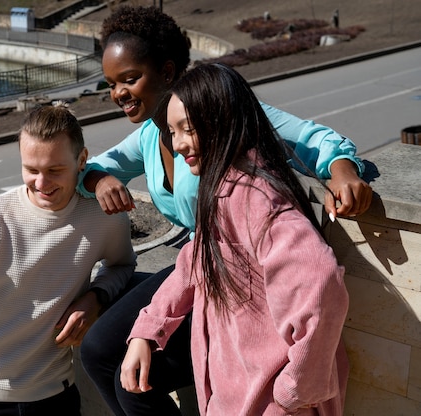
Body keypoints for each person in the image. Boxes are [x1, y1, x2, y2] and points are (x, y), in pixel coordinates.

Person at [78, 5, 369, 415]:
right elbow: (89, 170)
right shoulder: (149, 135)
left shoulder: (231, 123)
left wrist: (341, 172)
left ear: (166, 71)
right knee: (99, 351)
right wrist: (100, 180)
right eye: (110, 84)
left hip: (238, 282)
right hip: (202, 262)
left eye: (129, 79)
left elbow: (312, 141)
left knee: (135, 384)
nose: (118, 94)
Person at [120, 63, 350, 415]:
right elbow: (195, 262)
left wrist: (293, 393)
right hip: (236, 391)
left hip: (268, 401)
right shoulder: (223, 188)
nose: (178, 143)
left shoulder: (255, 196)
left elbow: (323, 285)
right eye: (172, 131)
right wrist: (147, 329)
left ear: (222, 120)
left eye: (188, 129)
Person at [0, 104, 137, 416]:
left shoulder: (105, 218)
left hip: (56, 397)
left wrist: (95, 298)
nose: (42, 185)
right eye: (31, 170)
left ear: (82, 160)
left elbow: (122, 265)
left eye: (55, 171)